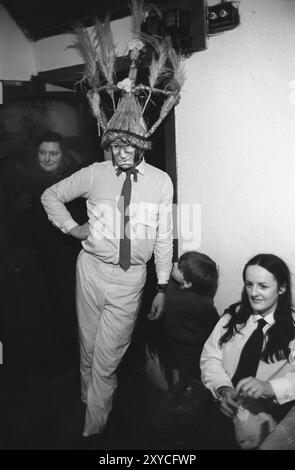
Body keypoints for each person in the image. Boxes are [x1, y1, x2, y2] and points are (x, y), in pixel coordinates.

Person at [41, 3, 184, 443]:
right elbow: (51, 195)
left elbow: (163, 236)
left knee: (107, 356)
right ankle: (90, 398)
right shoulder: (94, 174)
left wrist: (161, 286)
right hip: (90, 271)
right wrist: (73, 228)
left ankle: (94, 424)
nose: (122, 151)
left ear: (141, 144)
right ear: (111, 142)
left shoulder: (160, 182)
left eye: (130, 145)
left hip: (129, 279)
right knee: (87, 347)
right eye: (116, 144)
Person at [4, 131, 85, 371]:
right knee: (56, 313)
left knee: (79, 312)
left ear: (63, 155)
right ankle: (71, 362)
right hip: (45, 261)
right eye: (43, 153)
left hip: (75, 258)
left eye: (53, 153)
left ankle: (83, 362)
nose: (48, 158)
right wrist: (19, 212)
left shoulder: (76, 182)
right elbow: (19, 230)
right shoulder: (27, 182)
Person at [196, 253, 295, 449]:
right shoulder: (233, 317)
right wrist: (224, 389)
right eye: (249, 284)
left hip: (269, 416)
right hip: (226, 407)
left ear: (282, 288)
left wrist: (270, 388)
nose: (254, 293)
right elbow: (210, 358)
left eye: (263, 286)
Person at [147, 251, 219, 388]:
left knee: (187, 382)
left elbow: (215, 326)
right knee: (173, 368)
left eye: (179, 267)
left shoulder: (202, 303)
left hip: (191, 350)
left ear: (187, 284)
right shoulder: (170, 285)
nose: (174, 264)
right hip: (171, 340)